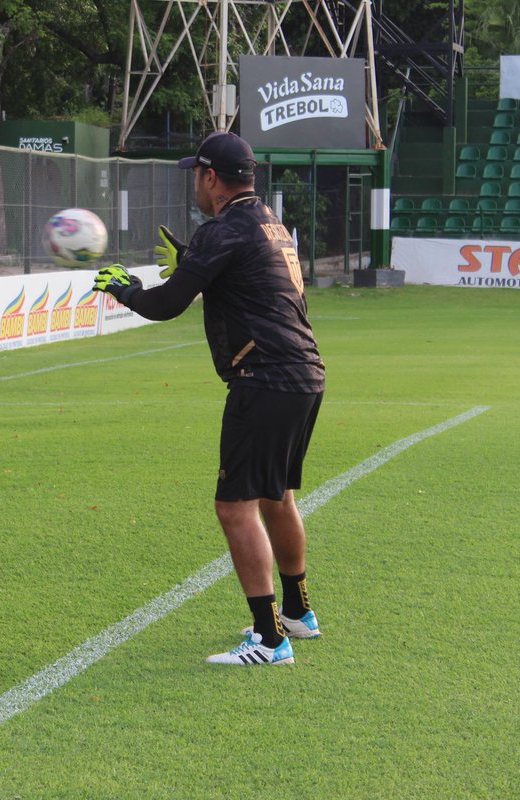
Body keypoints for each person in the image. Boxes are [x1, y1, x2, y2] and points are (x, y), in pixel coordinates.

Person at [92, 132, 325, 666]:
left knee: (234, 507)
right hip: (305, 373)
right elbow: (249, 284)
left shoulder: (222, 228)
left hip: (264, 378)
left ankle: (270, 640)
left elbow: (166, 305)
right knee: (277, 497)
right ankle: (297, 611)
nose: (195, 185)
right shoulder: (271, 222)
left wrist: (124, 287)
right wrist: (198, 264)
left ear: (211, 178)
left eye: (195, 175)